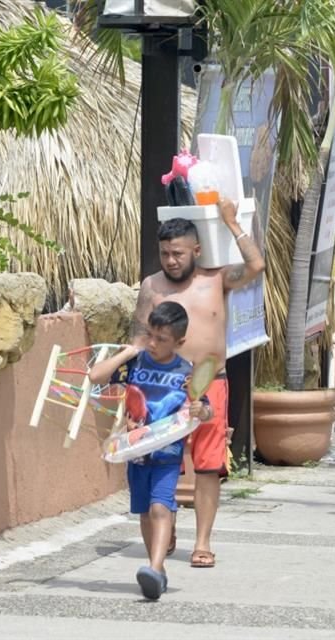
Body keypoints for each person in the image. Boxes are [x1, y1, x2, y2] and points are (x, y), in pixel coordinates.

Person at [131, 201, 266, 568]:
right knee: (163, 460)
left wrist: (232, 223)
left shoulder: (217, 279)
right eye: (165, 253)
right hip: (162, 385)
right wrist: (132, 393)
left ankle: (203, 542)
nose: (171, 260)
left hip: (210, 381)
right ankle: (167, 526)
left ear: (197, 250)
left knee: (207, 465)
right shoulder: (151, 286)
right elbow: (139, 339)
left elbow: (256, 265)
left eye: (177, 253)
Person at [89, 302, 212, 599]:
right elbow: (95, 376)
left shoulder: (186, 372)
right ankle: (158, 572)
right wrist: (128, 353)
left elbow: (206, 409)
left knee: (160, 508)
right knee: (145, 513)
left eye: (161, 339)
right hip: (136, 453)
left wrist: (200, 409)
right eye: (150, 335)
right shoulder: (136, 363)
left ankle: (154, 568)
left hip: (167, 455)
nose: (153, 343)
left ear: (179, 342)